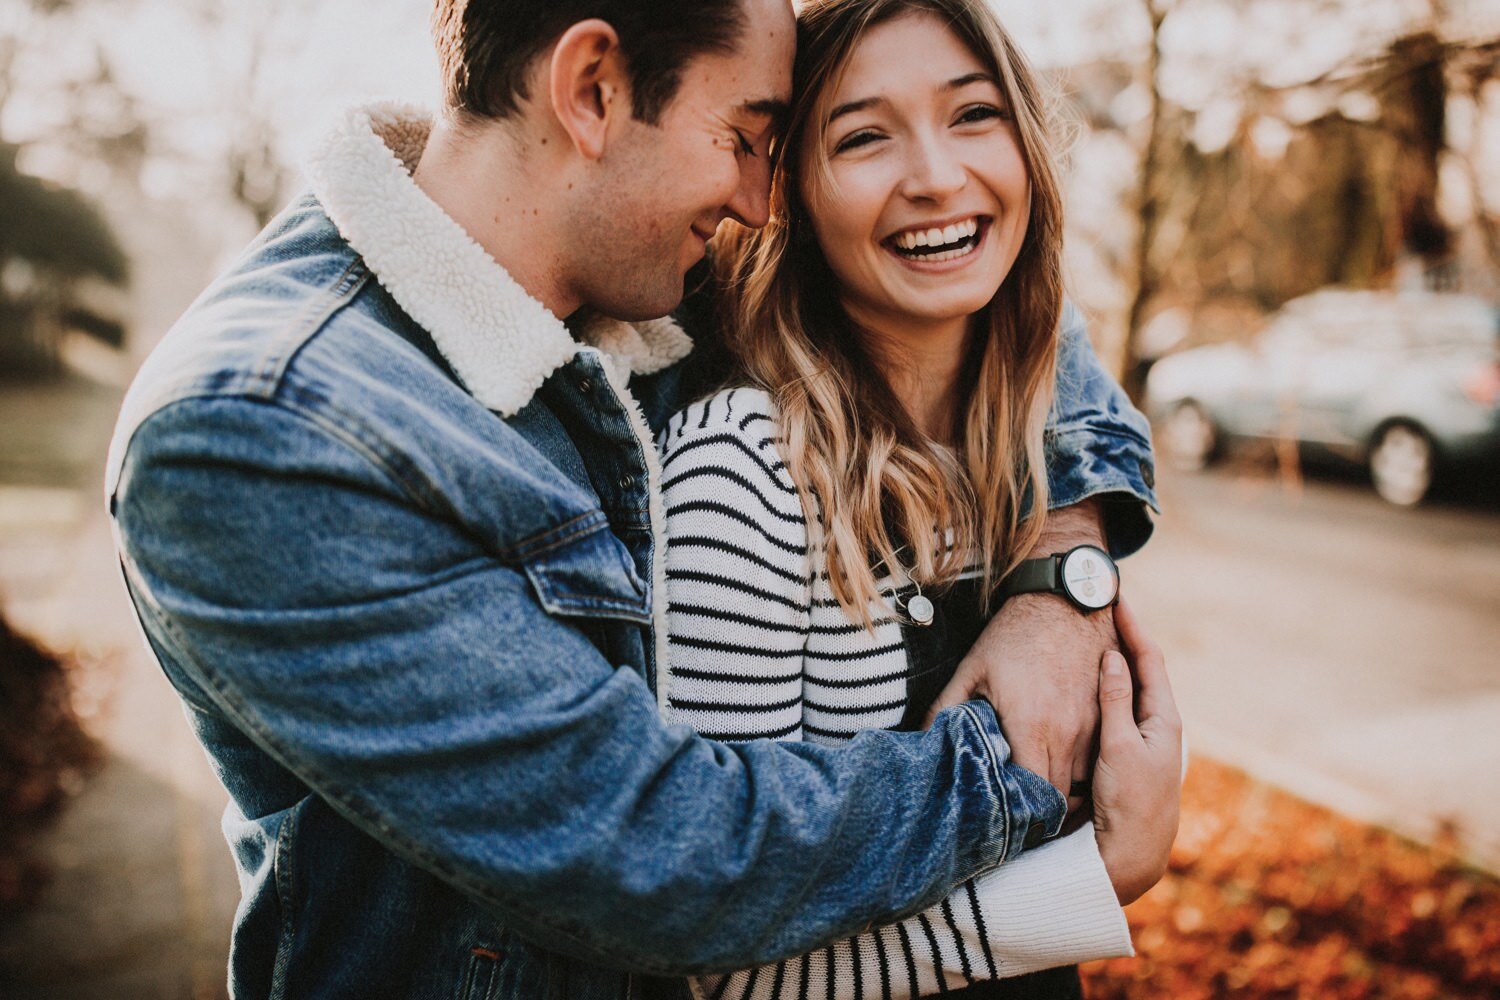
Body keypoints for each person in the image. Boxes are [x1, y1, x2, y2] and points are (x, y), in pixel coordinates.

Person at [103, 1, 1161, 997]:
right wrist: (1028, 780)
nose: (759, 199)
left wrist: (1057, 578)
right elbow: (661, 853)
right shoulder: (263, 429)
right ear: (594, 88)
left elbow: (982, 288)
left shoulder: (609, 252)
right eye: (748, 136)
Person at [658, 1, 1181, 997]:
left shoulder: (1035, 454)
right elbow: (728, 968)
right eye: (862, 137)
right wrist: (1096, 879)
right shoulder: (745, 472)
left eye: (973, 114)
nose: (937, 177)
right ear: (790, 194)